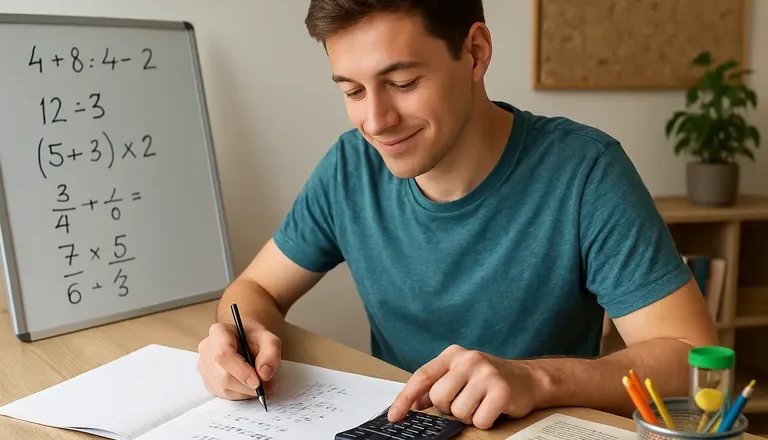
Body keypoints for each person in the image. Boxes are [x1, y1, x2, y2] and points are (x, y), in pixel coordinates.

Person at [196, 0, 718, 430]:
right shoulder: (349, 167)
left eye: (402, 83)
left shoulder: (585, 170)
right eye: (352, 91)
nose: (375, 121)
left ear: (475, 52)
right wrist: (242, 336)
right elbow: (255, 291)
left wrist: (535, 380)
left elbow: (692, 357)